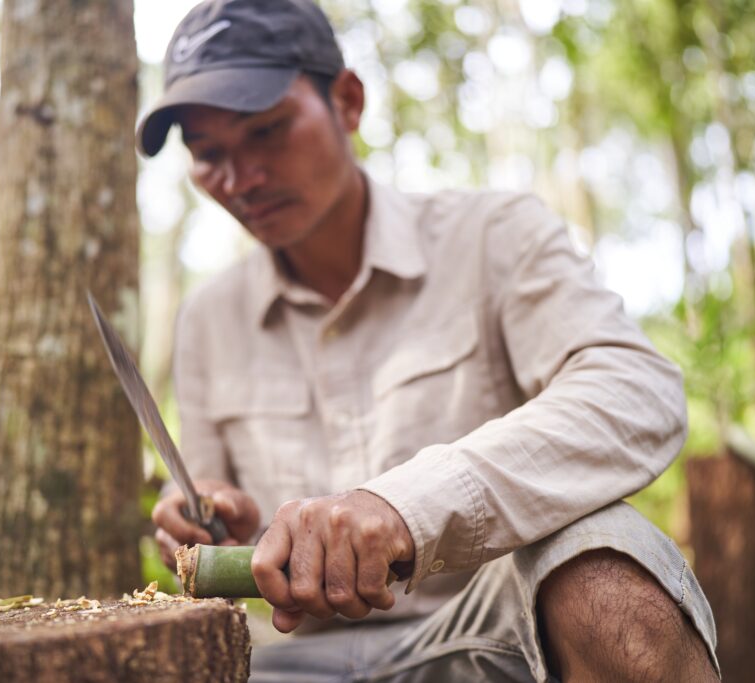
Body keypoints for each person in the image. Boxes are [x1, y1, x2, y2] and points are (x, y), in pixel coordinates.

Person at [140, 1, 720, 680]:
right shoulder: (208, 316)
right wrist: (208, 518)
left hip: (491, 633)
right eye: (209, 155)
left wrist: (402, 508)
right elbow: (218, 512)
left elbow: (635, 393)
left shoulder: (495, 237)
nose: (238, 180)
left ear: (347, 101)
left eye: (267, 132)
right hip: (286, 662)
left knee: (608, 566)